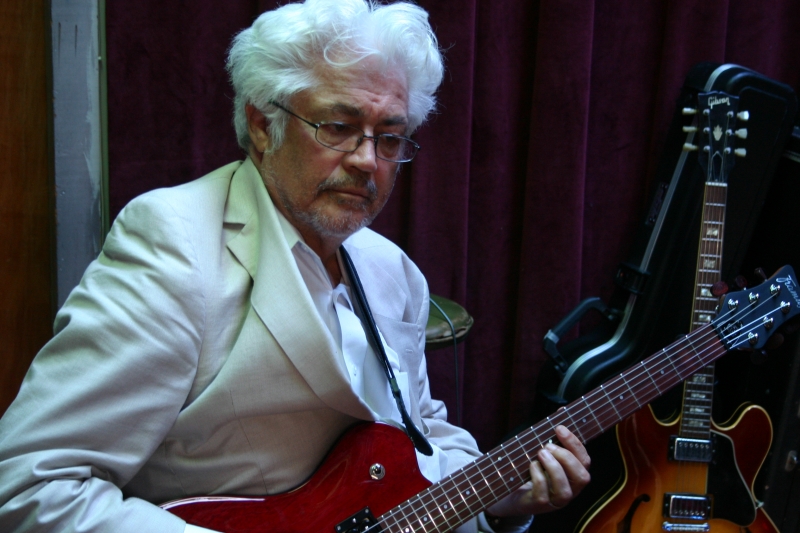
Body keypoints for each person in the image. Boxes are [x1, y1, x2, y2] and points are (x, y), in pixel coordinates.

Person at [0, 0, 591, 531]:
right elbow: (31, 483)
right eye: (339, 127)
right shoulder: (174, 243)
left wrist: (498, 501)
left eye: (390, 137)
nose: (368, 161)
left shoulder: (393, 269)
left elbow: (419, 433)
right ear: (263, 124)